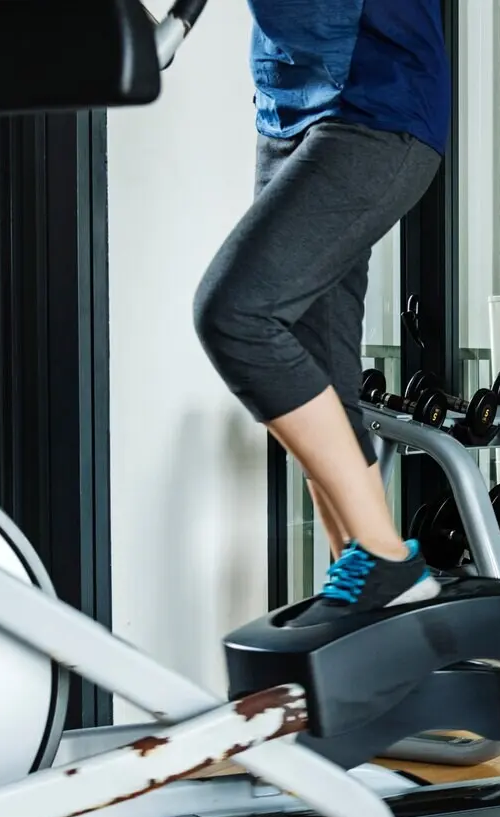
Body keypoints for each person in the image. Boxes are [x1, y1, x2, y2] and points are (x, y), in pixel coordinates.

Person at [192, 0, 450, 614]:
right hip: (287, 112)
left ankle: (386, 558)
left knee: (236, 314)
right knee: (319, 364)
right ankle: (366, 588)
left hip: (375, 109)